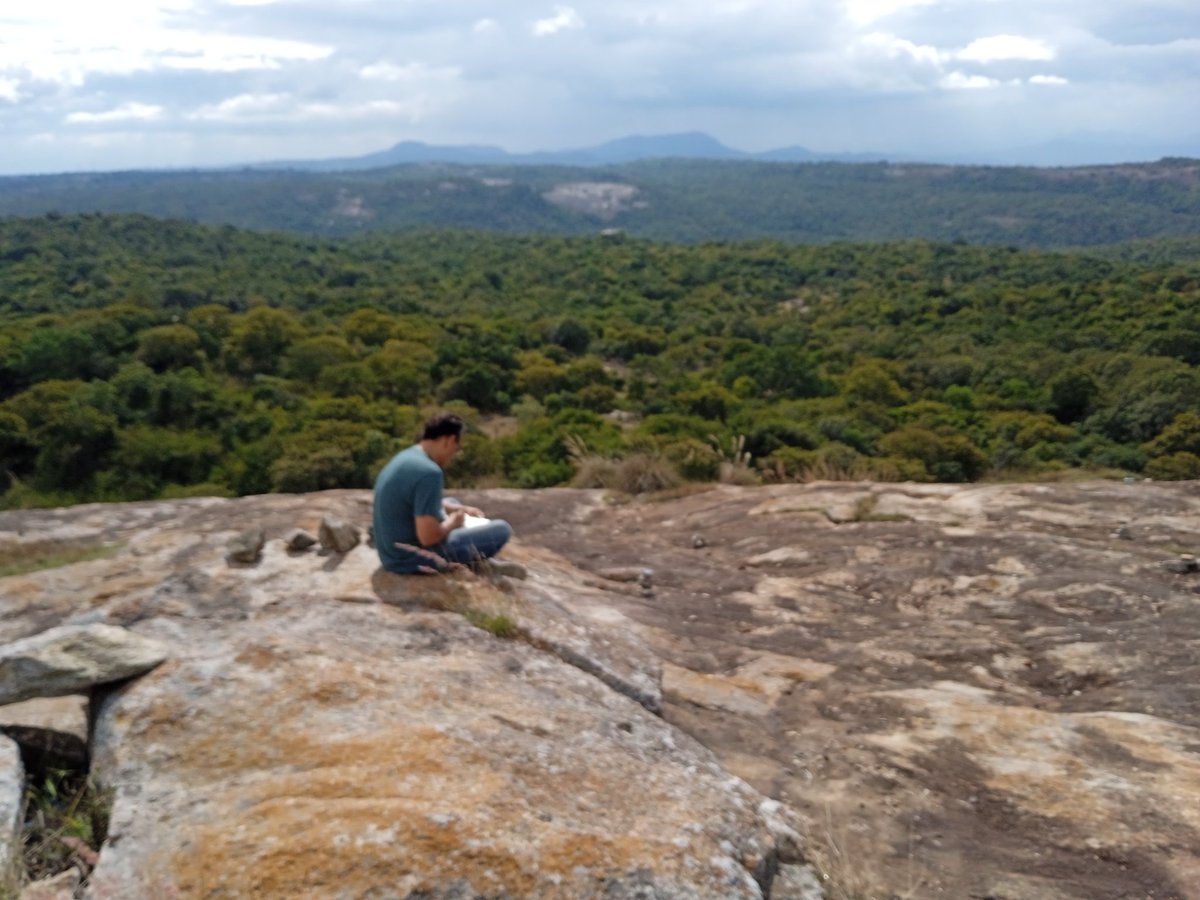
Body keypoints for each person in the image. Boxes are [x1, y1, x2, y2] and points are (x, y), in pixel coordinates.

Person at [372, 412, 515, 574]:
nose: (454, 456)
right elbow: (428, 537)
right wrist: (453, 523)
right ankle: (472, 561)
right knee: (502, 529)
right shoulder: (430, 472)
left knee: (452, 502)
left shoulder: (408, 456)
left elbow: (412, 500)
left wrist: (458, 510)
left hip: (390, 554)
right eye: (457, 448)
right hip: (410, 560)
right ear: (450, 441)